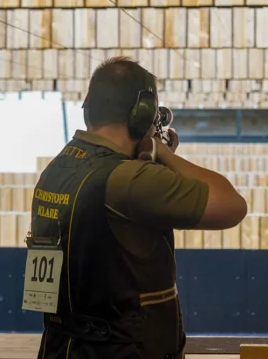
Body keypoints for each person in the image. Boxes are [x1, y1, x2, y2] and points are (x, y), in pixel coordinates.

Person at [31, 57, 247, 359]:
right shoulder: (129, 179)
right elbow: (232, 206)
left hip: (62, 348)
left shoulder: (56, 171)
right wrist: (161, 153)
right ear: (143, 113)